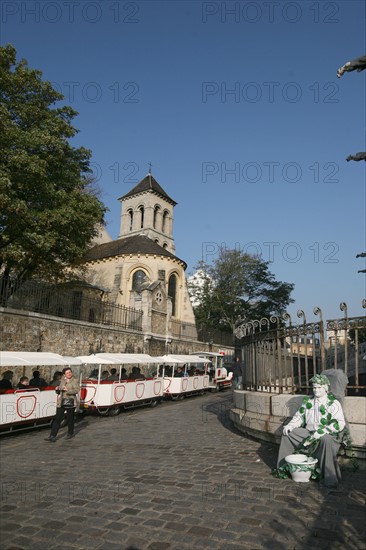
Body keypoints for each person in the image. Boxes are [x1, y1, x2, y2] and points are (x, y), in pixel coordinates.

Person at [277, 374, 346, 488]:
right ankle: (285, 468)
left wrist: (324, 430)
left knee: (326, 440)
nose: (316, 390)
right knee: (288, 434)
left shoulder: (334, 403)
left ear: (325, 389)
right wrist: (291, 426)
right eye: (314, 387)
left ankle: (329, 477)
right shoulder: (308, 402)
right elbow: (299, 417)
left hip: (327, 433)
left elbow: (340, 423)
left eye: (319, 388)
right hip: (309, 432)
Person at [45, 367, 80, 442]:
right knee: (57, 418)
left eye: (70, 372)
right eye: (67, 373)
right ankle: (52, 435)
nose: (69, 374)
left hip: (70, 401)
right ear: (64, 374)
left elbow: (76, 390)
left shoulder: (75, 380)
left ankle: (70, 432)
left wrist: (67, 390)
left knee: (70, 418)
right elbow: (60, 390)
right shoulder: (62, 380)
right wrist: (58, 389)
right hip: (61, 401)